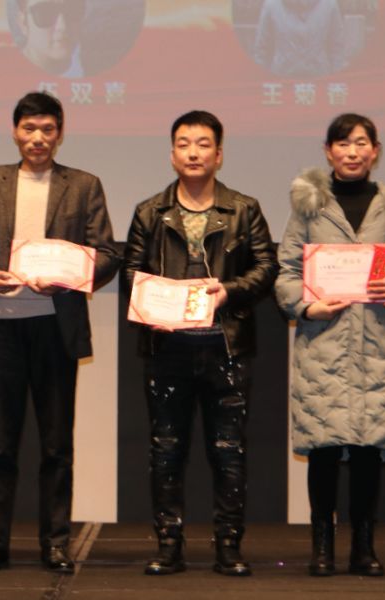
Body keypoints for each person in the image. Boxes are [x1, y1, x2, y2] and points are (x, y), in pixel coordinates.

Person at [0, 91, 119, 573]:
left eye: (48, 130)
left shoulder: (83, 185)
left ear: (60, 134)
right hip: (1, 328)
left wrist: (69, 277)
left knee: (56, 446)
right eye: (29, 129)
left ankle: (55, 544)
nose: (38, 138)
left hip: (55, 328)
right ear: (15, 132)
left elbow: (108, 253)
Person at [275, 112, 385, 577]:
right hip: (323, 344)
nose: (352, 151)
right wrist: (307, 307)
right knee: (323, 448)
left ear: (375, 151)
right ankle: (322, 546)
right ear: (328, 151)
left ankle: (364, 546)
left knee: (367, 451)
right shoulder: (310, 206)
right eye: (343, 143)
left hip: (377, 345)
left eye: (362, 143)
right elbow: (287, 271)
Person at [124, 110, 276, 576]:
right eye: (184, 144)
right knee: (165, 449)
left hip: (225, 346)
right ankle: (168, 545)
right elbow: (132, 271)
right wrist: (156, 304)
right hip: (167, 348)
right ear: (172, 155)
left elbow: (266, 268)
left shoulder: (244, 209)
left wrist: (229, 290)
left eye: (203, 144)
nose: (193, 152)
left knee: (228, 450)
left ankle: (228, 545)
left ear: (219, 155)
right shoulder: (150, 212)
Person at [253, 0, 347, 77]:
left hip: (319, 80)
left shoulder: (329, 5)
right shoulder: (271, 5)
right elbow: (261, 49)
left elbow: (337, 48)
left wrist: (336, 79)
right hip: (282, 80)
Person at [14, 0, 85, 77]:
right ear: (23, 23)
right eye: (45, 13)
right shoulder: (11, 74)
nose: (62, 26)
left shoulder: (89, 63)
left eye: (73, 10)